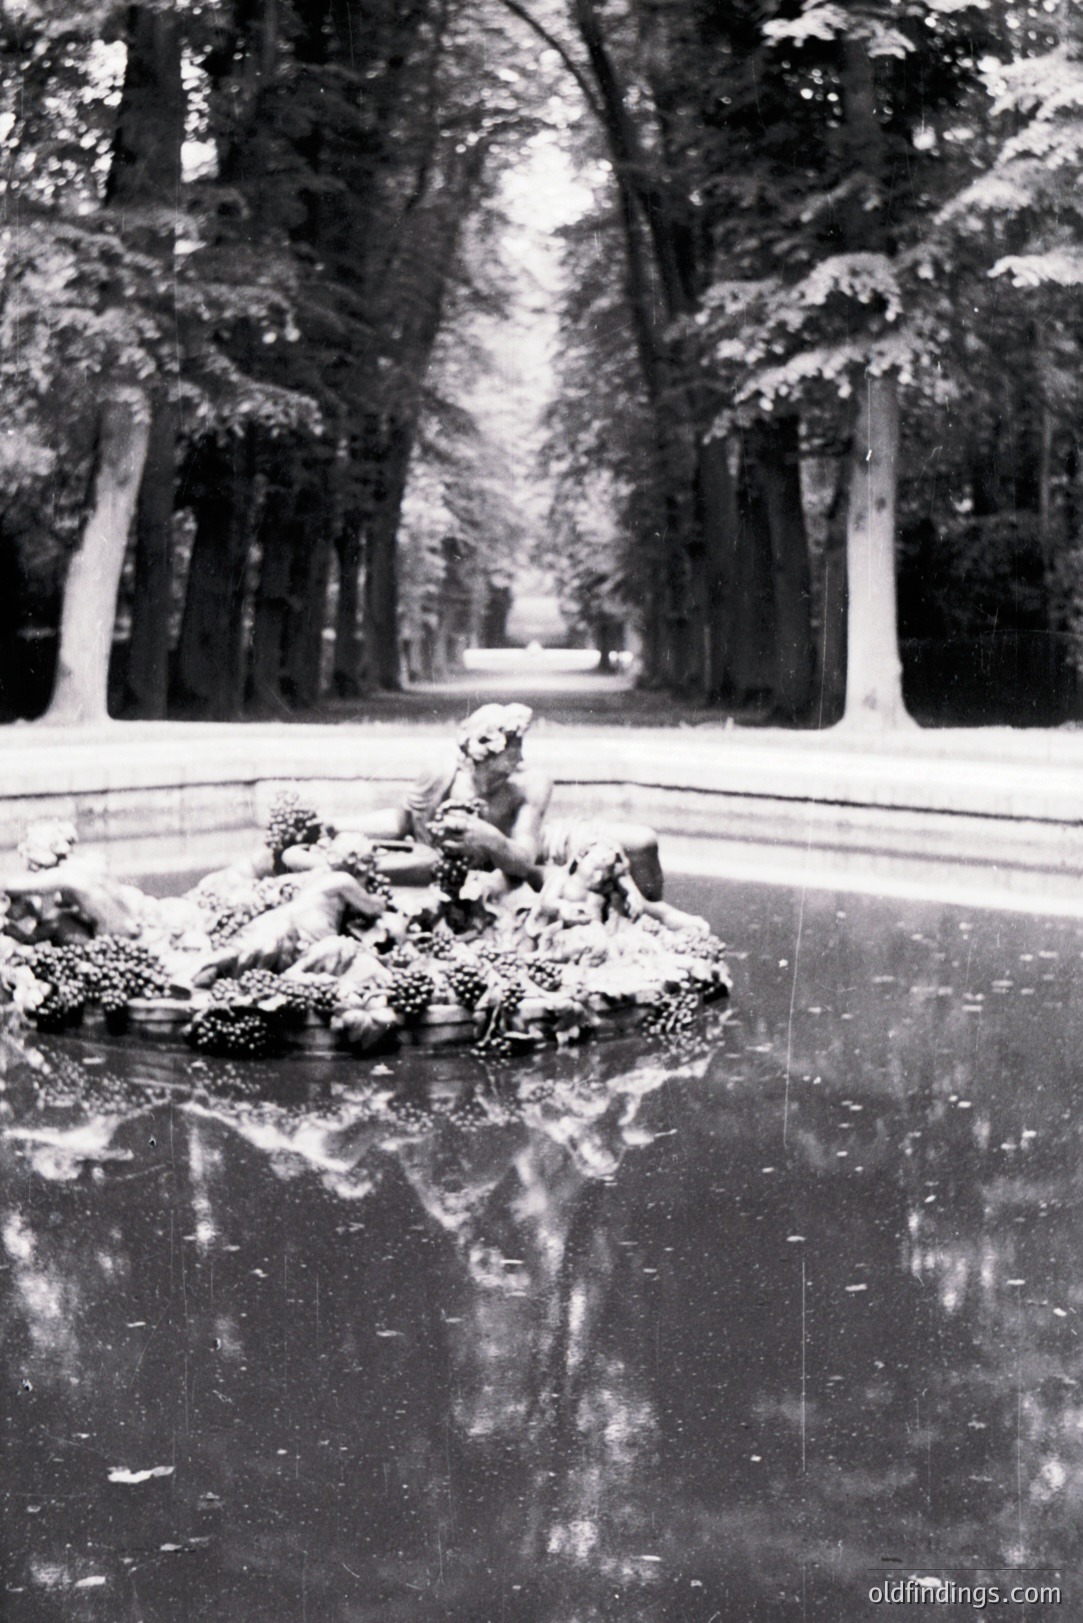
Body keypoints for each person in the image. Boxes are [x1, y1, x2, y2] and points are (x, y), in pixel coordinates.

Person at [344, 702, 666, 901]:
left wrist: (490, 838)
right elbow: (400, 822)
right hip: (481, 868)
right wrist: (335, 826)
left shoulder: (529, 782)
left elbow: (525, 857)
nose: (521, 757)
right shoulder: (442, 773)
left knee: (643, 842)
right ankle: (643, 914)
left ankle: (649, 922)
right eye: (514, 749)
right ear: (488, 752)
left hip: (539, 845)